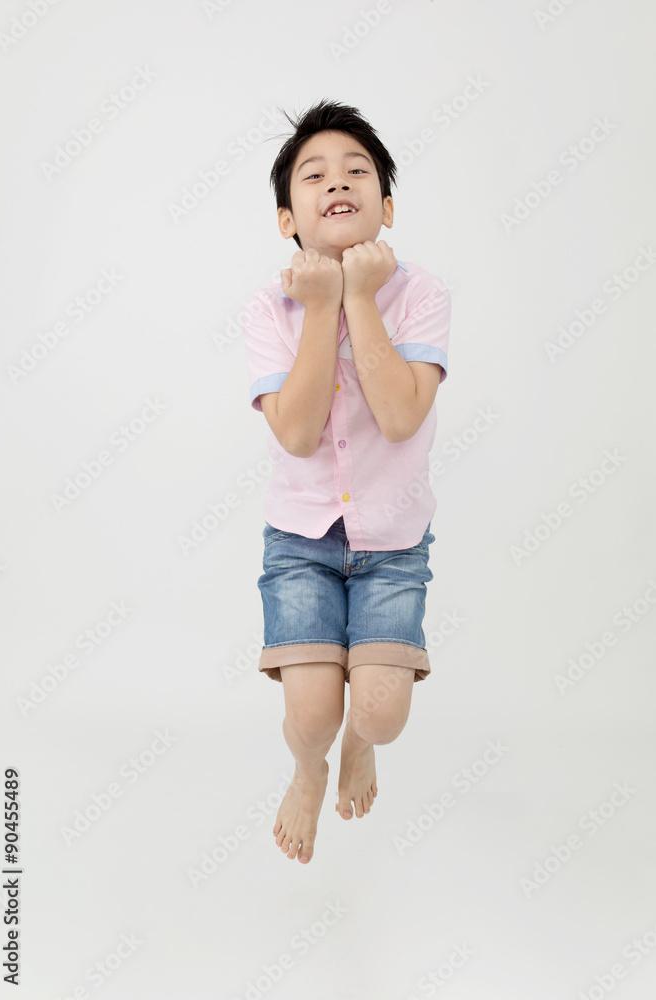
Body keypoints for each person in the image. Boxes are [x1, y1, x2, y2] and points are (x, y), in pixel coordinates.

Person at [242, 99, 451, 865]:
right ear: (286, 219)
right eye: (314, 174)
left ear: (385, 207)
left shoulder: (422, 294)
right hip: (300, 541)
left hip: (391, 542)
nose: (337, 181)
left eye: (356, 170)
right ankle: (310, 770)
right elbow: (297, 434)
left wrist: (357, 298)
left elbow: (398, 418)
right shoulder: (269, 307)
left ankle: (361, 744)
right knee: (310, 717)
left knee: (379, 715)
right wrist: (319, 307)